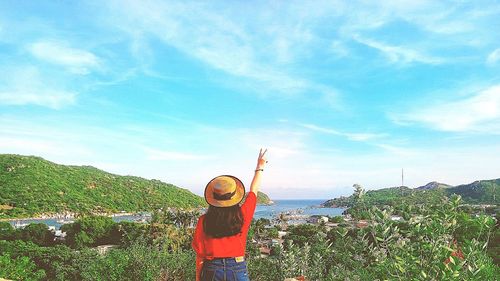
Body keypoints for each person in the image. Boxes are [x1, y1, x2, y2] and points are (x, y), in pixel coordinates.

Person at [192, 149, 268, 281]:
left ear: (213, 198)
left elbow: (200, 256)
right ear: (234, 196)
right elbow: (254, 190)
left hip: (211, 269)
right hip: (237, 267)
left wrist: (198, 278)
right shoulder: (242, 215)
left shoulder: (204, 220)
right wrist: (259, 167)